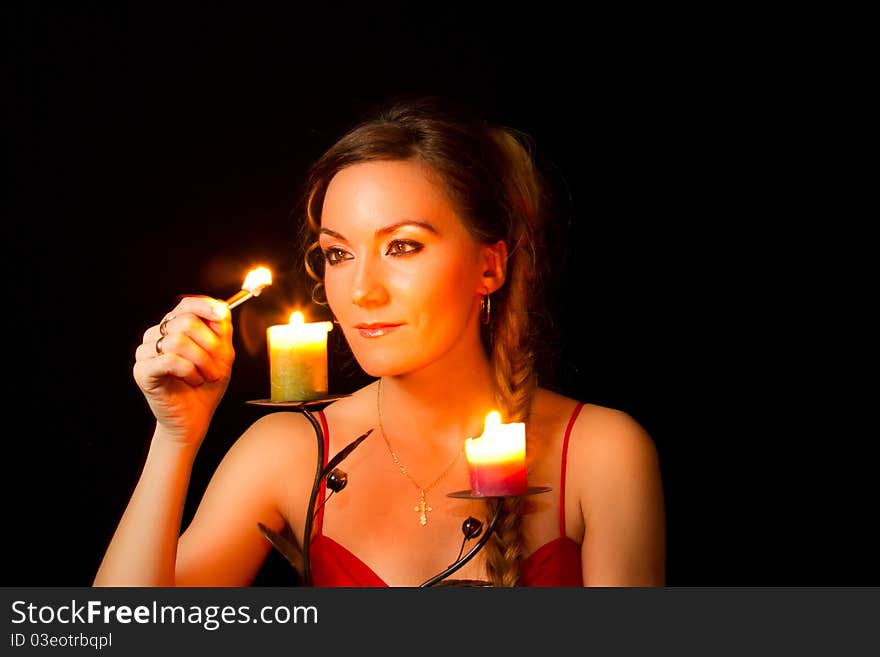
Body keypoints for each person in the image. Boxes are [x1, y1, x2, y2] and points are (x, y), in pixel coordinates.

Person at [93, 96, 665, 587]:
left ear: (489, 267)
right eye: (339, 254)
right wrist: (175, 437)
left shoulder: (599, 454)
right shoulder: (289, 453)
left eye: (403, 246)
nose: (361, 290)